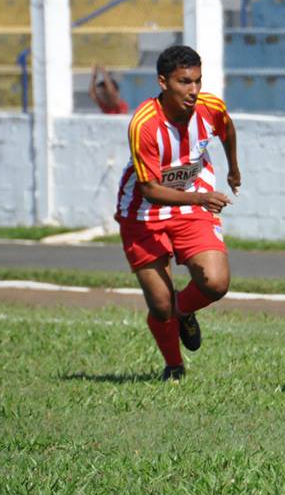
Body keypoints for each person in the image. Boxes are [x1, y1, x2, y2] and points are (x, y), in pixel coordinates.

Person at [115, 45, 241, 381]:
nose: (194, 90)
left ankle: (182, 312)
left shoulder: (210, 107)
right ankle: (174, 366)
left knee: (216, 283)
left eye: (198, 81)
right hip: (142, 213)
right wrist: (200, 199)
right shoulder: (144, 124)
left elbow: (227, 129)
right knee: (159, 305)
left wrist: (234, 170)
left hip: (191, 204)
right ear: (163, 82)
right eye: (185, 82)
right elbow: (149, 190)